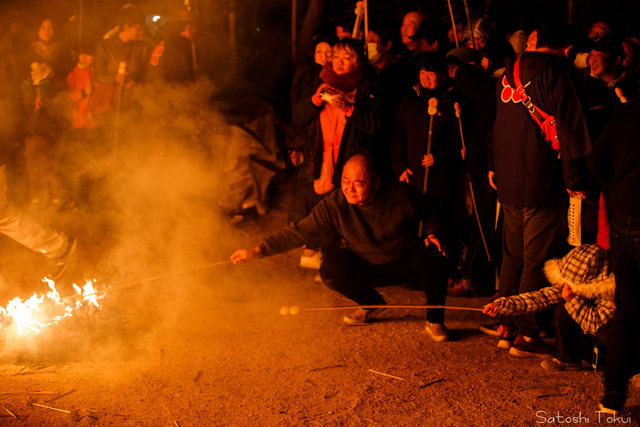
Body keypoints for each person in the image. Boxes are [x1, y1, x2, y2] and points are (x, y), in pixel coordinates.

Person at [231, 154, 451, 341]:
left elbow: (435, 211)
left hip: (404, 261)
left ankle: (435, 320)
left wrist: (433, 233)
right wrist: (258, 250)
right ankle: (371, 303)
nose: (349, 188)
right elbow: (300, 231)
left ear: (375, 183)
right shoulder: (335, 203)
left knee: (436, 250)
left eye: (358, 183)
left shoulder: (401, 193)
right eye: (346, 180)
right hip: (366, 264)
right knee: (330, 269)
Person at [487, 33, 592, 356]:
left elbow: (496, 127)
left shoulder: (509, 72)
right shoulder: (555, 76)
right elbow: (571, 134)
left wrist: (494, 166)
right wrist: (575, 180)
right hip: (541, 182)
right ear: (566, 48)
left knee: (513, 256)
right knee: (536, 258)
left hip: (508, 181)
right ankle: (527, 332)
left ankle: (505, 325)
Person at [289, 38, 381, 270]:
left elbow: (374, 125)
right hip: (320, 159)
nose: (339, 63)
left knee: (344, 213)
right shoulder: (321, 81)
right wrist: (315, 99)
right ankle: (323, 260)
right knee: (320, 210)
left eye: (346, 58)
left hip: (348, 160)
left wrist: (349, 108)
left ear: (358, 62)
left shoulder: (367, 87)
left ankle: (339, 266)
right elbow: (298, 117)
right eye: (336, 57)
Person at [587, 96, 640, 415]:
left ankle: (613, 396)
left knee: (628, 310)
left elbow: (594, 161)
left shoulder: (628, 110)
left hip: (623, 216)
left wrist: (617, 188)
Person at [483, 244, 614, 365]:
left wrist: (573, 300)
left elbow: (596, 324)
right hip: (587, 344)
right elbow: (540, 298)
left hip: (607, 353)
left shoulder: (612, 291)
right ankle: (568, 358)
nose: (565, 285)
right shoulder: (570, 285)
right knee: (562, 308)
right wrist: (502, 305)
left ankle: (618, 369)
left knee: (572, 309)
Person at [94, 5, 149, 113]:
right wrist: (115, 78)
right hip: (108, 105)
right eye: (139, 29)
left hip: (132, 105)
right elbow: (98, 76)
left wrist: (135, 83)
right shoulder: (105, 46)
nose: (142, 32)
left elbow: (145, 74)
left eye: (143, 28)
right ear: (126, 27)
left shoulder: (142, 48)